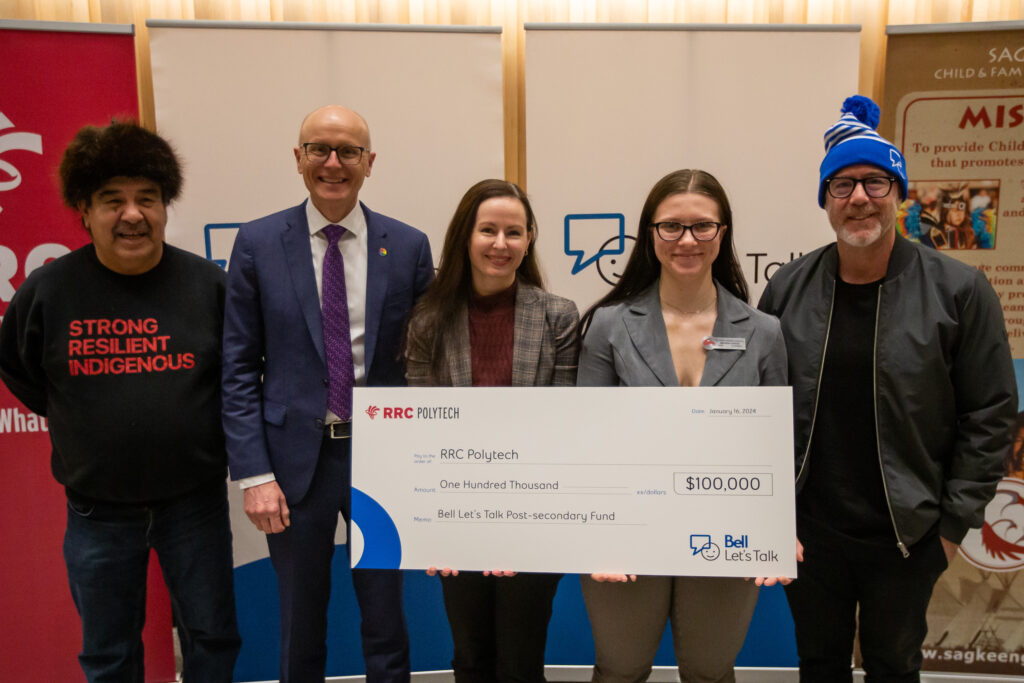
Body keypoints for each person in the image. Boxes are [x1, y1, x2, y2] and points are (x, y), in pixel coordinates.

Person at [758, 95, 1017, 682]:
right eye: (842, 184)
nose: (858, 198)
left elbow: (991, 414)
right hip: (809, 534)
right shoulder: (788, 289)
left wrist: (952, 528)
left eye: (875, 182)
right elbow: (761, 407)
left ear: (899, 194)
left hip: (908, 534)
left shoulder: (960, 291)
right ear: (825, 200)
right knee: (818, 663)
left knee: (893, 665)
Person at [0, 121, 241, 681]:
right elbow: (18, 367)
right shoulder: (48, 290)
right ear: (84, 210)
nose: (132, 214)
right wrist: (84, 418)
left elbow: (237, 380)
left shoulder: (209, 286)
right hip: (97, 512)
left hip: (194, 506)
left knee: (212, 638)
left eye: (147, 200)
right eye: (113, 201)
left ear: (164, 207)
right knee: (108, 652)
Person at [222, 105, 433, 682]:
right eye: (319, 149)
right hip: (292, 468)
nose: (333, 163)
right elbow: (238, 367)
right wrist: (254, 475)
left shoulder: (410, 246)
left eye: (348, 151)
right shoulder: (258, 243)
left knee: (388, 621)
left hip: (382, 462)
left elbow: (423, 365)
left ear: (370, 163)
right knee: (299, 621)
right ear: (298, 158)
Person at [576, 169, 788, 683]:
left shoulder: (763, 332)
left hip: (727, 529)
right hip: (627, 530)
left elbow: (781, 443)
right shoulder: (609, 324)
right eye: (671, 226)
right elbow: (587, 437)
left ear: (723, 233)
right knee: (620, 668)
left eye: (702, 227)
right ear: (651, 234)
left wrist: (780, 528)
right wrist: (594, 535)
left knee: (710, 670)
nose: (686, 240)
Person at [404, 179, 578, 683]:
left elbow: (564, 424)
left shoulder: (557, 316)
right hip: (458, 516)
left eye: (514, 232)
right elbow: (421, 433)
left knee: (521, 660)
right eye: (488, 230)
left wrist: (519, 521)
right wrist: (431, 528)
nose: (500, 244)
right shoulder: (428, 321)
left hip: (535, 516)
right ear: (465, 236)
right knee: (471, 657)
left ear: (529, 241)